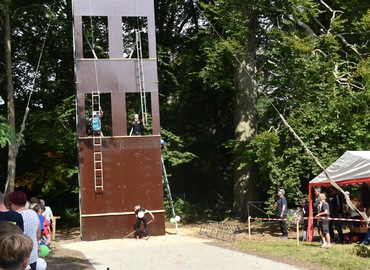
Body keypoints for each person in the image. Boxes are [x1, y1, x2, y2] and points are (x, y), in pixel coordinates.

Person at [8, 191, 41, 270]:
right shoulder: (33, 213)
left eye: (10, 203)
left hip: (19, 255)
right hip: (32, 254)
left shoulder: (14, 216)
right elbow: (38, 234)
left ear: (13, 202)